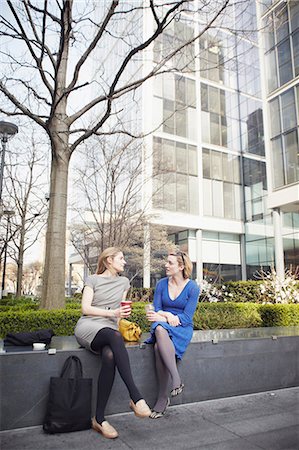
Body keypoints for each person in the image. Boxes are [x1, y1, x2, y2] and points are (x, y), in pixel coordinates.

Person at [74, 247, 151, 439]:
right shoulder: (92, 279)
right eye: (121, 258)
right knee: (114, 338)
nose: (124, 262)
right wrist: (112, 314)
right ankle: (135, 396)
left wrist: (120, 316)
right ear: (109, 260)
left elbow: (119, 313)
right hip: (89, 326)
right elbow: (85, 308)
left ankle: (99, 419)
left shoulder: (124, 282)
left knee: (109, 356)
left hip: (109, 329)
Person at [145, 250, 200, 419]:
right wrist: (168, 316)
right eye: (166, 262)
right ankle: (176, 379)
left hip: (182, 327)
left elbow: (186, 317)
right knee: (160, 329)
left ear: (181, 266)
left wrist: (166, 316)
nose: (166, 265)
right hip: (162, 323)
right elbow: (157, 308)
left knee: (157, 348)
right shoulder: (162, 284)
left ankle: (162, 398)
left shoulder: (193, 287)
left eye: (170, 263)